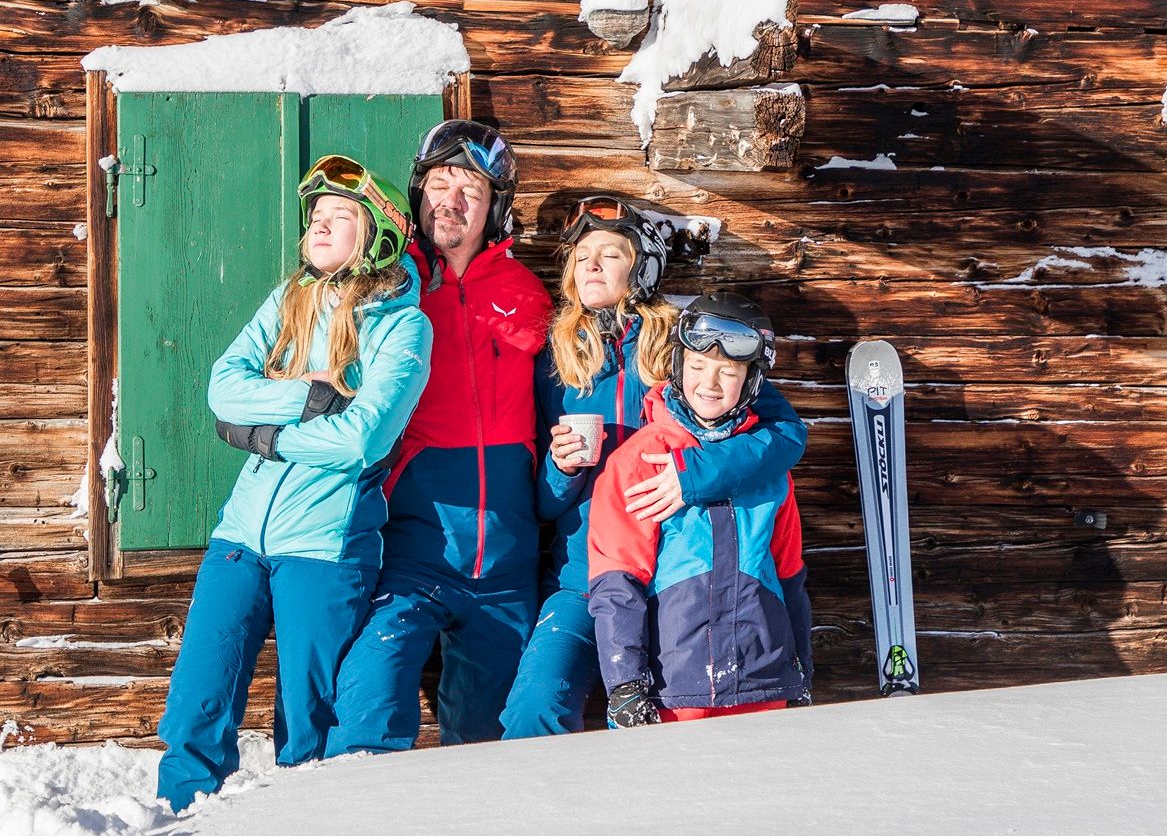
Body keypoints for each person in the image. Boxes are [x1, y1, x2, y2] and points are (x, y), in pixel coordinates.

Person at [155, 155, 431, 813]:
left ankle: (303, 821)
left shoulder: (404, 325)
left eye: (341, 217)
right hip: (240, 531)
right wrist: (307, 396)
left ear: (378, 235)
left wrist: (267, 436)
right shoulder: (290, 300)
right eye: (316, 216)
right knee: (198, 697)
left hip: (326, 543)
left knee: (307, 717)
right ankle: (178, 813)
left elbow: (364, 437)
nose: (321, 226)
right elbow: (222, 386)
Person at [500, 203, 807, 738]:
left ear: (641, 267)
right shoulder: (556, 357)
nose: (592, 265)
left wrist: (694, 477)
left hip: (676, 577)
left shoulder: (684, 344)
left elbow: (783, 436)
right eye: (582, 255)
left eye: (610, 254)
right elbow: (543, 503)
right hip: (582, 579)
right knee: (535, 710)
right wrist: (561, 468)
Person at [326, 119, 555, 754]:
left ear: (495, 209)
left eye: (470, 191)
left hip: (508, 559)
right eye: (437, 184)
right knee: (369, 695)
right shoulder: (386, 286)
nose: (449, 202)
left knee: (488, 737)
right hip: (413, 544)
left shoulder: (528, 294)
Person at [586, 291, 814, 726]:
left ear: (751, 382)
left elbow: (789, 576)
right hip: (674, 690)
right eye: (696, 366)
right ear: (677, 366)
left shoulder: (769, 465)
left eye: (728, 372)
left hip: (764, 685)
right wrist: (625, 686)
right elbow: (617, 582)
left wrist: (799, 666)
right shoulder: (641, 459)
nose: (709, 384)